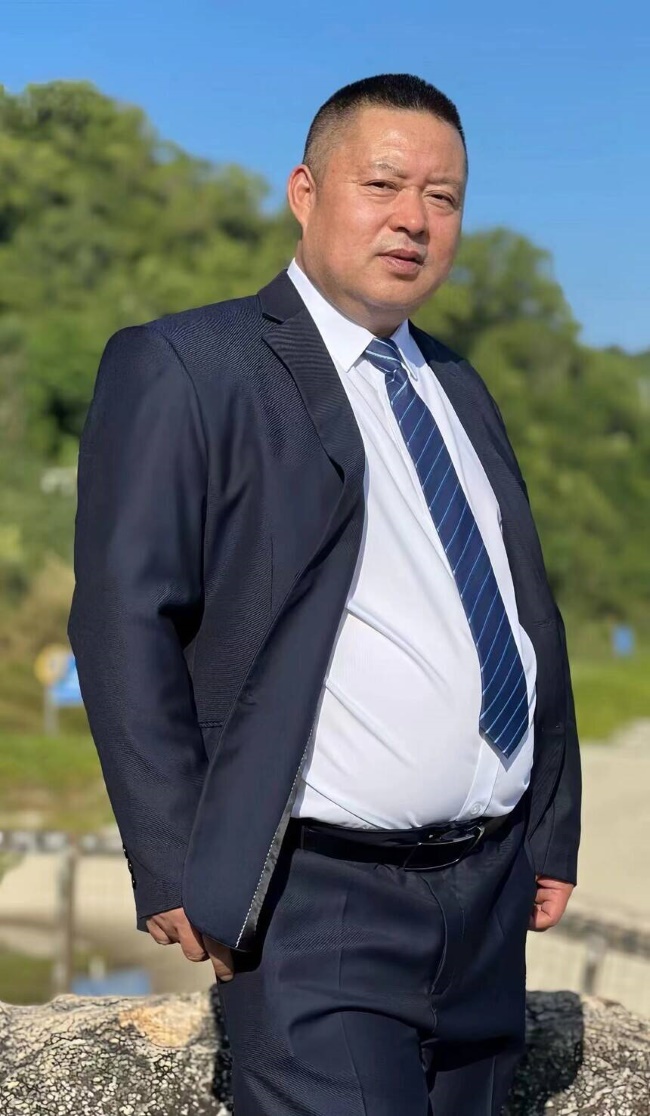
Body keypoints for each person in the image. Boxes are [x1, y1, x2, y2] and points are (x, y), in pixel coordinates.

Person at [68, 73, 581, 1116]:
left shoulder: (457, 385)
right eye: (383, 184)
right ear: (304, 193)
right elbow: (124, 617)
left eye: (442, 197)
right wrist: (173, 859)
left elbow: (520, 609)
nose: (413, 219)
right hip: (315, 904)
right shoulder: (188, 365)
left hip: (488, 900)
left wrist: (549, 825)